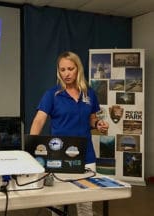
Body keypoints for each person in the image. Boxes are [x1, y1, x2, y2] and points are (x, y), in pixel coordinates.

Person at [30, 51, 109, 216]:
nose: (66, 73)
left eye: (70, 69)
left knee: (85, 205)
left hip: (86, 156)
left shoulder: (89, 93)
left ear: (78, 69)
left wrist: (98, 124)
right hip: (59, 156)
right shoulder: (52, 94)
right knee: (57, 205)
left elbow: (91, 119)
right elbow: (38, 121)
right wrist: (31, 150)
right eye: (62, 69)